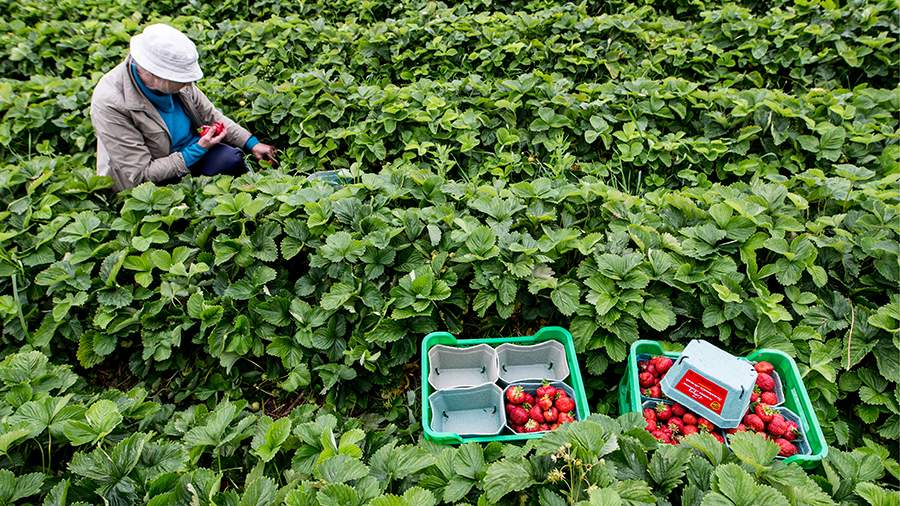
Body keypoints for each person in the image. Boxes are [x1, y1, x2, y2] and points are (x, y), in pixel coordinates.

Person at [90, 23, 277, 191]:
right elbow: (141, 173)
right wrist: (198, 148)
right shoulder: (110, 102)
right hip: (151, 178)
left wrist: (252, 143)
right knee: (177, 203)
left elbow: (211, 115)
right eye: (182, 79)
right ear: (156, 75)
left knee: (232, 159)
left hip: (192, 149)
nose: (189, 85)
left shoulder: (178, 84)